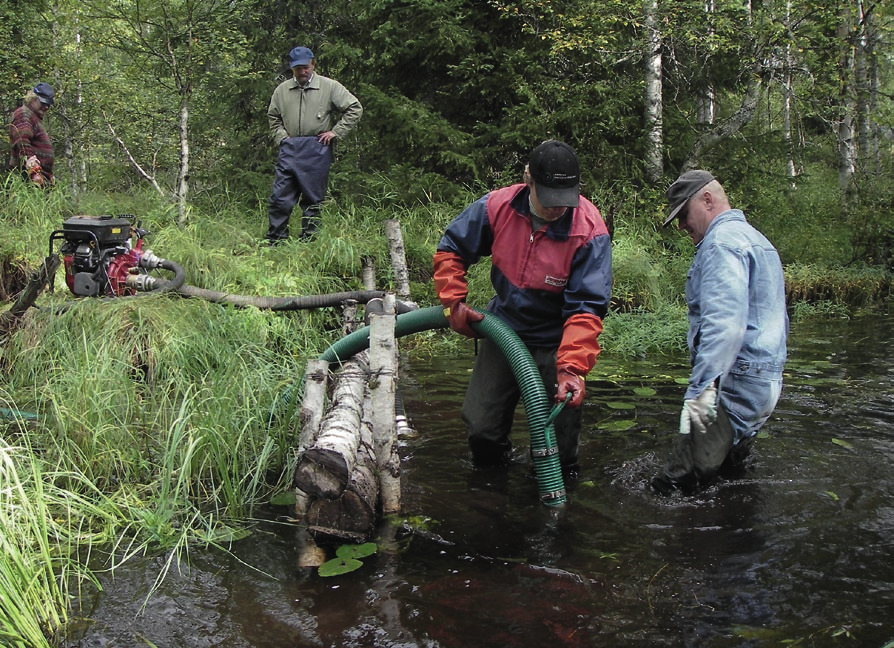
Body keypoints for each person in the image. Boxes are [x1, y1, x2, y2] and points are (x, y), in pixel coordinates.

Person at [433, 140, 613, 473]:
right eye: (549, 199)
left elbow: (586, 309)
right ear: (528, 179)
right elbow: (451, 250)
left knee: (556, 449)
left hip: (557, 341)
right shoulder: (497, 207)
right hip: (504, 330)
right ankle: (492, 495)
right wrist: (453, 305)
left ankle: (551, 499)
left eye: (564, 200)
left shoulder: (588, 230)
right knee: (482, 429)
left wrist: (571, 368)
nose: (558, 209)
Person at [651, 170, 788, 495]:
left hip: (732, 386)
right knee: (730, 482)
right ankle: (734, 536)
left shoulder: (720, 244)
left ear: (707, 200)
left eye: (683, 215)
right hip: (764, 388)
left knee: (675, 487)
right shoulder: (758, 241)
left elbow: (725, 324)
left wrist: (701, 392)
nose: (682, 226)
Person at [265, 46, 363, 243]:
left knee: (312, 199)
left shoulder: (329, 87)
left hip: (316, 147)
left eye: (306, 67)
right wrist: (282, 137)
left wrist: (335, 132)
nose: (303, 72)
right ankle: (276, 242)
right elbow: (273, 117)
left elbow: (354, 108)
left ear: (313, 64)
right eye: (298, 68)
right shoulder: (282, 90)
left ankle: (309, 242)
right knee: (280, 198)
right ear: (292, 68)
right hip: (289, 146)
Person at [8, 82, 55, 188]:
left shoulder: (33, 118)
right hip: (29, 178)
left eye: (48, 104)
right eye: (43, 103)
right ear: (32, 98)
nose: (46, 107)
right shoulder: (23, 114)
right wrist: (33, 168)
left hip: (40, 177)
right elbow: (22, 140)